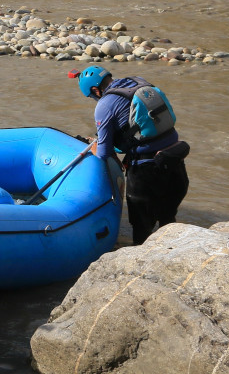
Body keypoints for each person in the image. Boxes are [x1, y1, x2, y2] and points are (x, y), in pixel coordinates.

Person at [76, 65, 190, 244]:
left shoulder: (105, 104)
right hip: (175, 162)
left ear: (95, 90)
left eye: (92, 96)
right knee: (168, 222)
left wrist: (95, 147)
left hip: (146, 173)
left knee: (142, 233)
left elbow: (103, 153)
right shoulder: (138, 82)